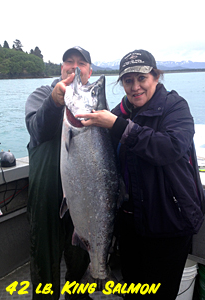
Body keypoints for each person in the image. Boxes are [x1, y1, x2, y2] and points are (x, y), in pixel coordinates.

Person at [75, 49, 205, 299]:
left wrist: (118, 126)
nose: (135, 87)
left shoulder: (174, 106)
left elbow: (169, 148)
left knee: (159, 293)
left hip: (169, 221)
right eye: (128, 80)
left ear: (156, 77)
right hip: (131, 224)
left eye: (141, 78)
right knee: (133, 291)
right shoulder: (117, 112)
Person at [25, 46, 93, 300]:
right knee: (45, 270)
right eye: (69, 61)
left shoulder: (95, 103)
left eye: (81, 63)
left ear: (90, 70)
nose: (75, 67)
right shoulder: (41, 95)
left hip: (82, 198)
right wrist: (55, 101)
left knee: (80, 263)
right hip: (45, 200)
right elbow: (37, 130)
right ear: (61, 67)